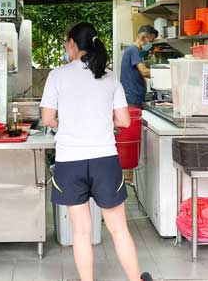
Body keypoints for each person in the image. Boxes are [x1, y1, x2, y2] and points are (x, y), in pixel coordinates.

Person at [40, 22, 153, 281]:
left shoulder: (58, 75)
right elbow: (124, 121)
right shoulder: (109, 76)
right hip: (104, 160)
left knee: (81, 232)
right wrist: (102, 122)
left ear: (71, 43)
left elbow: (47, 118)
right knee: (119, 229)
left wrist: (65, 124)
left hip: (70, 161)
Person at [120, 25, 158, 107]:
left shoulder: (133, 50)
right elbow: (144, 72)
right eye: (150, 41)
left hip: (133, 96)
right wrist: (165, 73)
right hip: (132, 98)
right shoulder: (134, 50)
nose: (150, 44)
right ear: (143, 37)